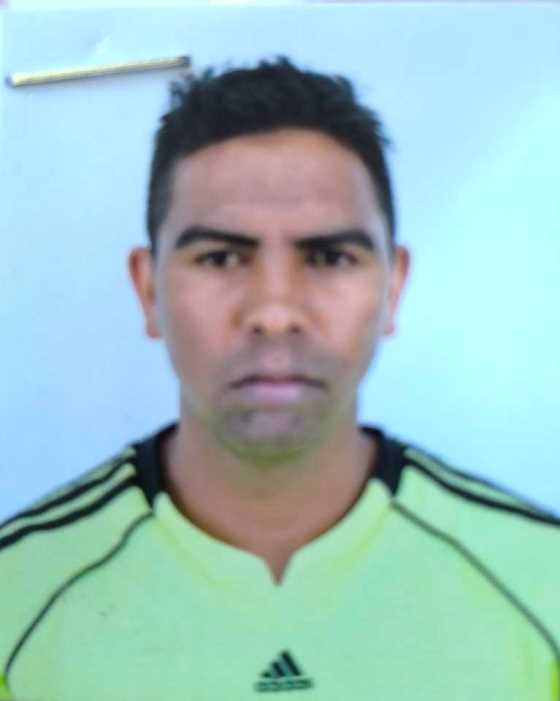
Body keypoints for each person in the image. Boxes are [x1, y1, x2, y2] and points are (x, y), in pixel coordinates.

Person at [1, 57, 558, 701]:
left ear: (393, 288)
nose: (274, 312)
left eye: (329, 257)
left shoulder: (542, 580)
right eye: (220, 257)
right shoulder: (17, 595)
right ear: (148, 289)